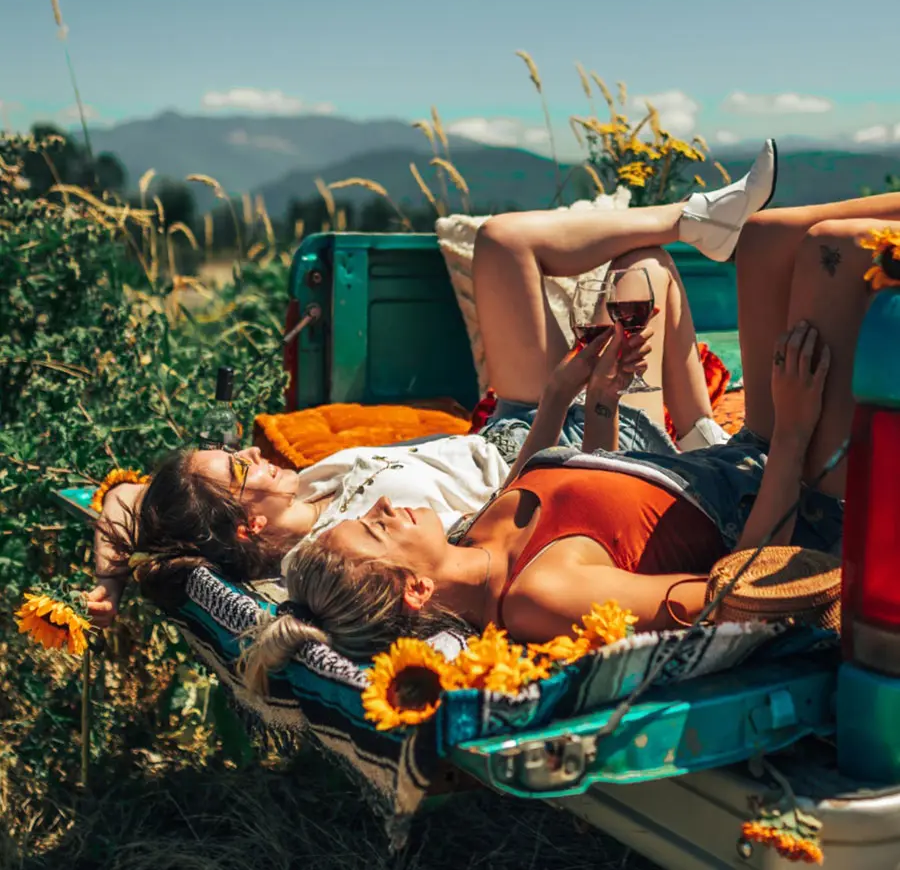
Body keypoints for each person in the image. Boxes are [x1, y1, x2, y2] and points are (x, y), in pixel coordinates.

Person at [237, 177, 900, 684]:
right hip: (806, 491)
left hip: (749, 455)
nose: (382, 506)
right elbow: (743, 597)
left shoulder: (476, 538)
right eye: (379, 527)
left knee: (763, 237)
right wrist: (791, 429)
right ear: (414, 590)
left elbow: (614, 526)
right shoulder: (540, 598)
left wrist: (601, 403)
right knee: (833, 253)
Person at [86, 140, 778, 625]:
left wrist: (109, 566)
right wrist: (577, 399)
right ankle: (697, 439)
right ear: (249, 522)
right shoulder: (338, 559)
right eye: (241, 467)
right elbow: (510, 523)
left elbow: (130, 501)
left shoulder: (310, 482)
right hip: (556, 456)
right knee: (644, 270)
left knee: (505, 242)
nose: (257, 453)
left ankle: (702, 221)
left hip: (511, 422)